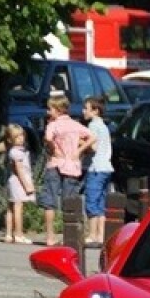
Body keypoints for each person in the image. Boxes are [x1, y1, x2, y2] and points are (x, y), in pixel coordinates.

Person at [40, 93, 94, 246]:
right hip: (72, 164)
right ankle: (69, 235)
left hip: (55, 163)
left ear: (57, 110)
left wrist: (53, 148)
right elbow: (92, 136)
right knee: (69, 201)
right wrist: (80, 150)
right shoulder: (75, 125)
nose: (48, 112)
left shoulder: (53, 125)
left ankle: (50, 236)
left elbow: (48, 138)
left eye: (50, 109)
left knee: (49, 200)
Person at [81, 96, 113, 248]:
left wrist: (79, 142)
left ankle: (92, 234)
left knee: (92, 201)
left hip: (96, 168)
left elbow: (92, 146)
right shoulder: (104, 126)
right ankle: (101, 235)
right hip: (106, 167)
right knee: (101, 202)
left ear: (95, 111)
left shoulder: (93, 126)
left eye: (86, 108)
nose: (83, 111)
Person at [2, 124, 34, 244]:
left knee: (10, 207)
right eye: (17, 137)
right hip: (19, 182)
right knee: (18, 207)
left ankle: (8, 234)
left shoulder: (13, 151)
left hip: (12, 181)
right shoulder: (17, 152)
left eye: (22, 136)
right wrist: (27, 185)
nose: (21, 139)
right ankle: (19, 233)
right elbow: (19, 170)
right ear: (10, 140)